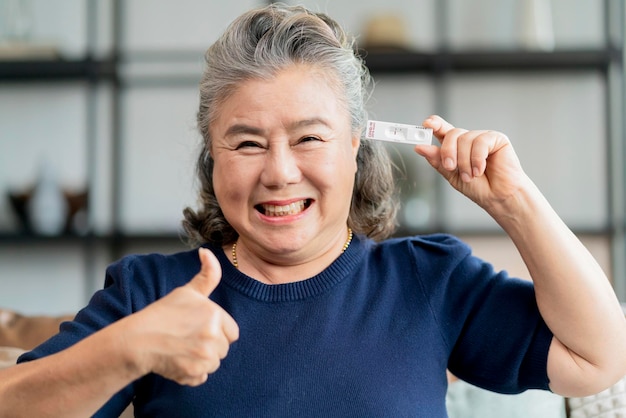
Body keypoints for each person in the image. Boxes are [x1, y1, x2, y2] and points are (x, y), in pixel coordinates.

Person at [1, 3, 625, 417]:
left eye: (309, 138)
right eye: (246, 142)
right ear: (212, 157)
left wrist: (515, 202)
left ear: (357, 144)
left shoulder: (427, 281)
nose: (279, 171)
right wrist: (126, 350)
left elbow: (600, 359)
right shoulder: (151, 292)